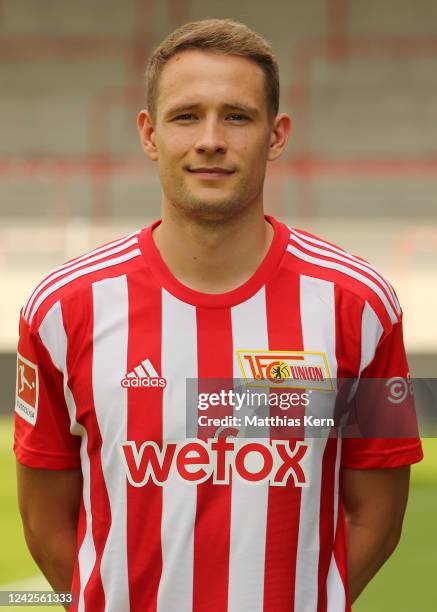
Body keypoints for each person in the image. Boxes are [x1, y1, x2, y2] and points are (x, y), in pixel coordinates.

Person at [14, 18, 422, 612]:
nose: (210, 139)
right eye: (185, 117)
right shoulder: (60, 307)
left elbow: (379, 519)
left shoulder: (361, 304)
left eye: (237, 115)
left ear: (276, 135)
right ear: (149, 134)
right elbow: (46, 522)